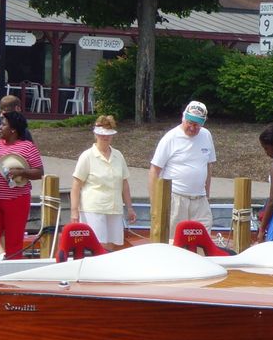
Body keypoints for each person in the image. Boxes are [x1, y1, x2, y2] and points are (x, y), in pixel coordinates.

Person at [0, 111, 44, 262]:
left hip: (17, 199)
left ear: (13, 129)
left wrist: (21, 171)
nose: (0, 128)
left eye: (3, 125)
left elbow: (39, 172)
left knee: (14, 241)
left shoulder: (27, 147)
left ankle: (10, 273)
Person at [149, 100, 217, 234]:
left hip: (200, 199)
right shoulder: (170, 138)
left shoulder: (206, 135)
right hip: (175, 199)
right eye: (190, 123)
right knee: (173, 241)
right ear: (183, 118)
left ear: (203, 123)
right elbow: (154, 171)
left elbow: (208, 167)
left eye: (197, 124)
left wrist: (207, 195)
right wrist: (155, 205)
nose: (192, 127)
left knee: (202, 239)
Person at [70, 115, 137, 248]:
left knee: (113, 246)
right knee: (99, 246)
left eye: (108, 135)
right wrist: (74, 211)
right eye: (101, 134)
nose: (105, 138)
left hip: (114, 208)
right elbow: (76, 185)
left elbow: (124, 184)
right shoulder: (87, 156)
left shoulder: (118, 155)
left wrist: (129, 208)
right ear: (96, 134)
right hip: (93, 208)